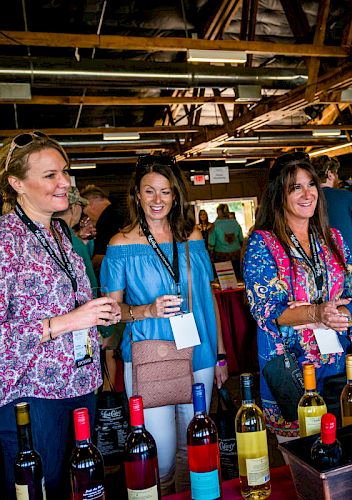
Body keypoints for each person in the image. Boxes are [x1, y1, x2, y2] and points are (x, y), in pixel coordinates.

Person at [0, 132, 121, 499]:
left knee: (83, 488)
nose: (65, 182)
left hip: (80, 386)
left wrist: (98, 316)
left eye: (64, 172)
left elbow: (71, 307)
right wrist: (67, 322)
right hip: (34, 395)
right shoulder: (6, 239)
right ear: (16, 183)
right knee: (41, 489)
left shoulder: (60, 234)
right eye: (50, 175)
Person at [100, 154, 228, 494]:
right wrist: (147, 311)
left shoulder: (194, 236)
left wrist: (221, 353)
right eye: (150, 191)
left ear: (176, 196)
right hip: (148, 353)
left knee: (197, 448)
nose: (158, 200)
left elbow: (207, 297)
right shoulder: (120, 244)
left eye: (166, 192)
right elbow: (110, 312)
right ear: (137, 195)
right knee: (163, 454)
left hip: (198, 351)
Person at [243, 152, 352, 439]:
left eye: (310, 184)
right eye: (295, 187)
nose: (307, 193)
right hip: (293, 367)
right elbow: (265, 310)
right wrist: (317, 313)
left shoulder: (334, 238)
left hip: (338, 362)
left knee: (345, 444)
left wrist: (342, 315)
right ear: (279, 195)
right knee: (303, 457)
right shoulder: (262, 243)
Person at [312, 155, 352, 371]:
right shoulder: (347, 198)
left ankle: (334, 384)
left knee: (325, 331)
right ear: (330, 173)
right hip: (349, 273)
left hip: (317, 278)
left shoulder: (306, 200)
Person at [54, 186, 98, 294]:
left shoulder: (48, 234)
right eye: (81, 206)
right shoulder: (73, 240)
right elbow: (90, 281)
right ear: (74, 207)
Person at [80, 184, 125, 276]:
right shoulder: (117, 214)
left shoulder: (110, 219)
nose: (84, 212)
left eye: (83, 207)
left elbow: (106, 256)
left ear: (90, 201)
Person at [208, 203, 244, 278]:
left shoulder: (215, 225)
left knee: (225, 280)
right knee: (237, 278)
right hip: (236, 255)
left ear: (218, 212)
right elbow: (241, 239)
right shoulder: (235, 223)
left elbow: (211, 243)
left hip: (221, 257)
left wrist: (211, 255)